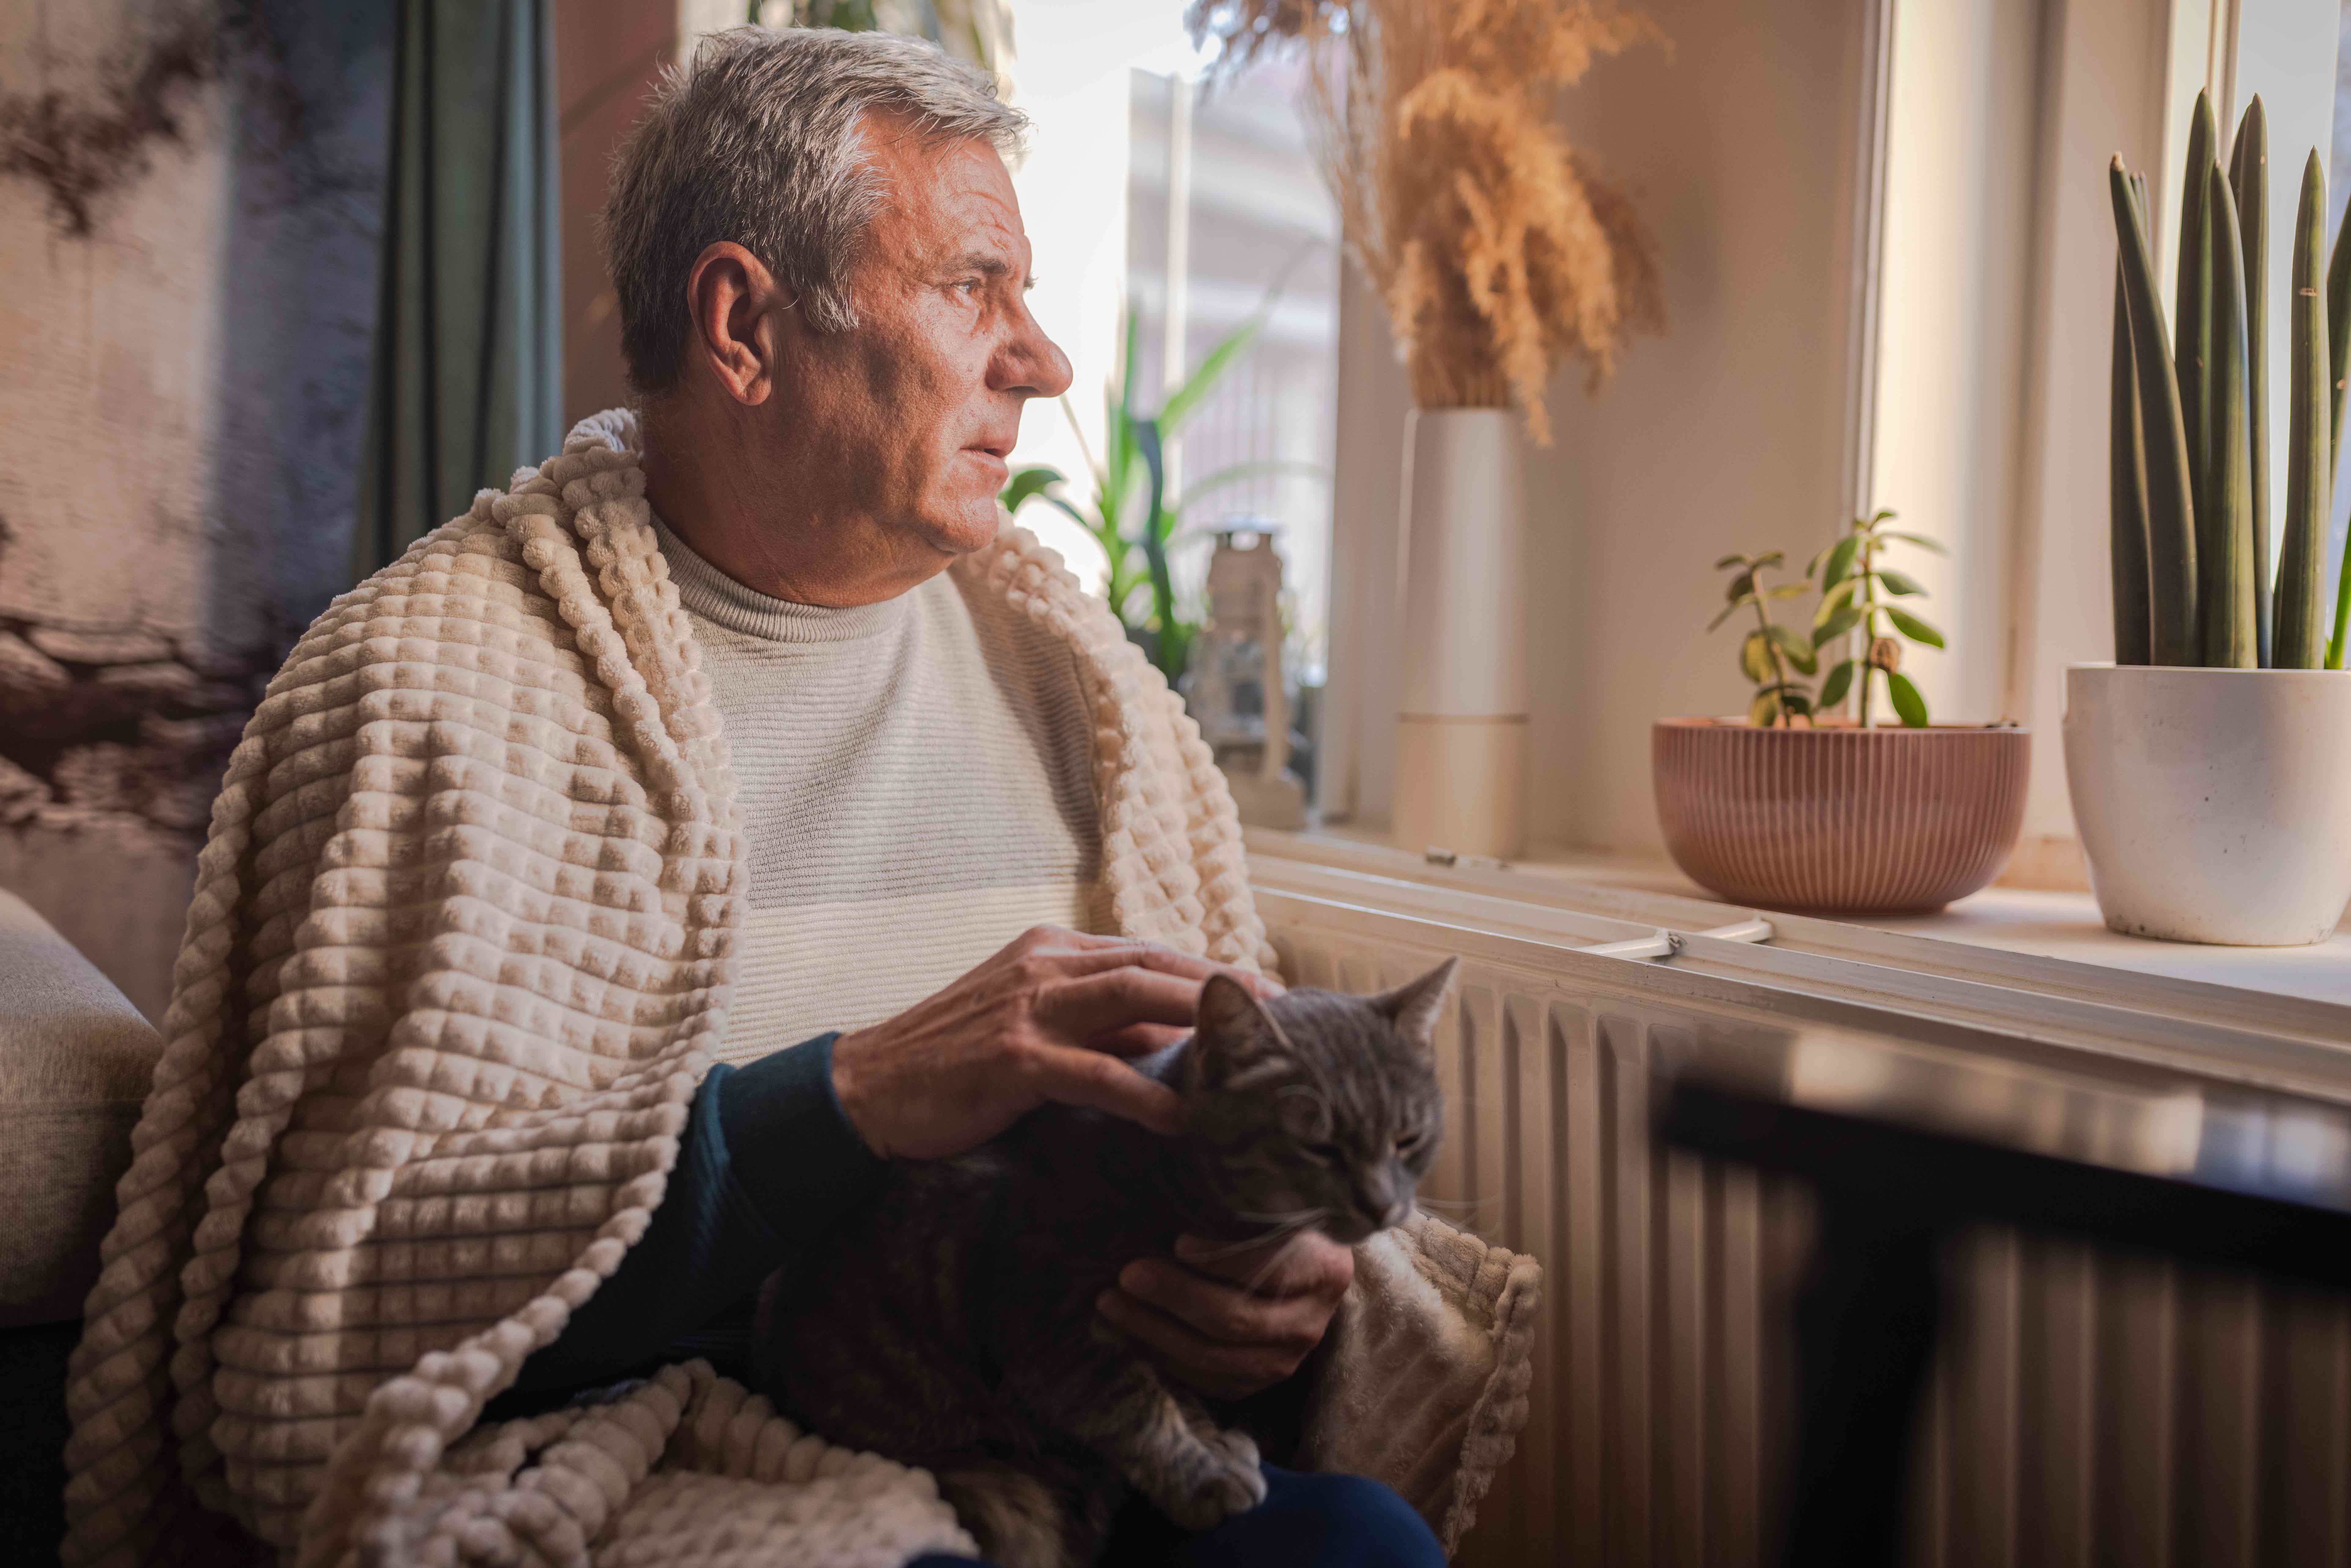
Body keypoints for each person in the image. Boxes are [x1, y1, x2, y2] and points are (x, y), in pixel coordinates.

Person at [64, 24, 1469, 1568]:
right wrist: (845, 1102)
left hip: (1088, 1421)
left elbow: (1223, 1144)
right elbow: (346, 1321)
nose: (1044, 360)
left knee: (1366, 1547)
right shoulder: (426, 690)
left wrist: (1266, 1286)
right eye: (970, 286)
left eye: (1030, 295)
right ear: (745, 325)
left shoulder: (1087, 683)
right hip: (663, 1451)